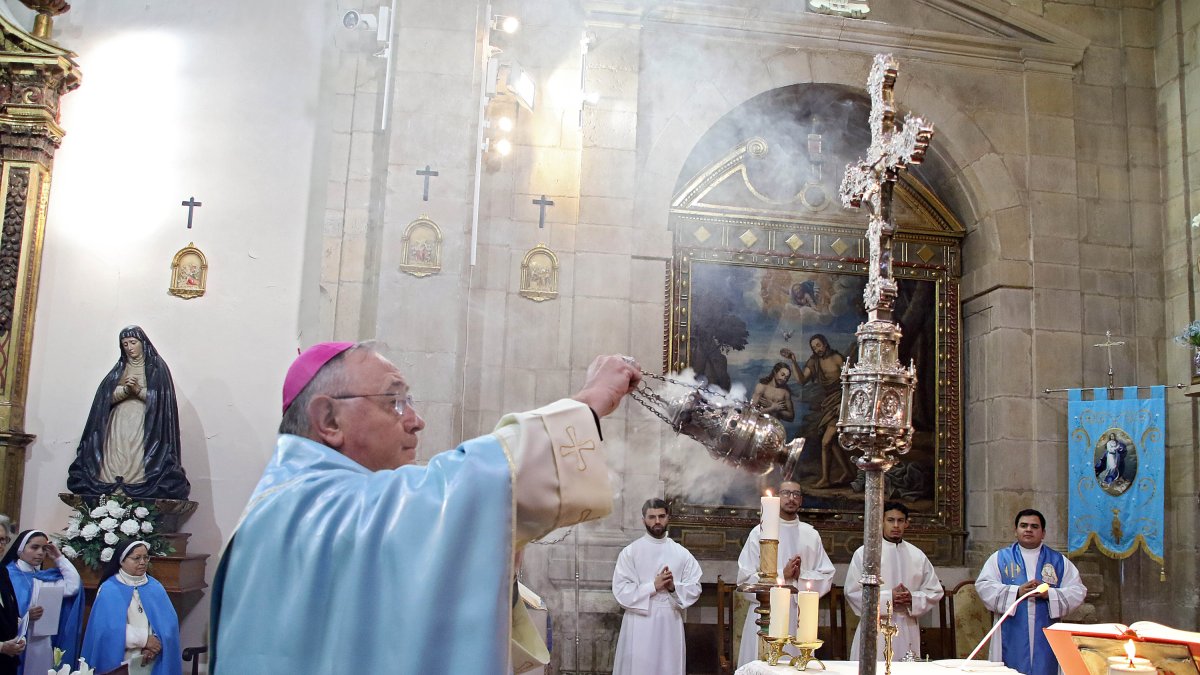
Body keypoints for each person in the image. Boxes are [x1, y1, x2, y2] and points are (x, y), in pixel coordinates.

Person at [209, 343, 640, 674]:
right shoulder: (317, 507)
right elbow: (473, 482)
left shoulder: (284, 505)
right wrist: (589, 402)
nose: (415, 420)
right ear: (330, 421)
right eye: (393, 400)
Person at [67, 326, 191, 500]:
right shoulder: (119, 369)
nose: (129, 348)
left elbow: (163, 401)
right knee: (117, 452)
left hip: (145, 423)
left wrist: (138, 390)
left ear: (143, 343)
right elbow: (103, 399)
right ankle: (113, 486)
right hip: (118, 422)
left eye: (133, 342)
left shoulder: (157, 368)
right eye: (125, 344)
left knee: (138, 453)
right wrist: (125, 390)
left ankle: (138, 483)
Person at [976, 509, 1086, 675]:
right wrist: (1017, 592)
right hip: (1011, 631)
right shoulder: (999, 558)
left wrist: (1050, 594)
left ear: (1043, 533)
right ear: (1016, 530)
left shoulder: (1058, 561)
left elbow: (1078, 591)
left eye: (1034, 526)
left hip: (1047, 631)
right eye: (1023, 525)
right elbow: (984, 586)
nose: (1028, 529)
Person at [736, 481, 835, 666]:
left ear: (801, 500)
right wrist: (783, 575)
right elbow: (744, 578)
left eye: (796, 494)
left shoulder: (811, 535)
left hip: (799, 615)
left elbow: (827, 576)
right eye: (786, 493)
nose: (791, 498)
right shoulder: (759, 533)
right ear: (778, 497)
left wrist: (800, 577)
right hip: (765, 613)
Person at [611, 499, 703, 675]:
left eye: (661, 516)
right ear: (643, 519)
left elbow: (695, 587)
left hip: (669, 624)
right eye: (652, 517)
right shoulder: (631, 552)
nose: (657, 521)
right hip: (639, 623)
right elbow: (621, 590)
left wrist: (672, 587)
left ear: (668, 517)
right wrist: (653, 586)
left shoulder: (681, 553)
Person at [844, 502, 944, 660]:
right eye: (890, 520)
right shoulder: (865, 553)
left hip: (907, 626)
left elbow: (935, 591)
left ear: (907, 523)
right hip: (875, 627)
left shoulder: (917, 555)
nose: (896, 525)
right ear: (881, 522)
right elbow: (853, 592)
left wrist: (912, 599)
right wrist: (888, 599)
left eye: (900, 520)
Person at [81, 540, 181, 675]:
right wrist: (144, 640)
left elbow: (168, 623)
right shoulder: (109, 589)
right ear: (122, 561)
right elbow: (107, 628)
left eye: (146, 557)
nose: (143, 562)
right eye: (137, 558)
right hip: (121, 658)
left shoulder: (155, 587)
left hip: (151, 660)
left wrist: (154, 645)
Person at [2, 530, 83, 675]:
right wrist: (27, 616)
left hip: (41, 641)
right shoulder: (7, 575)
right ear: (20, 548)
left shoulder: (43, 577)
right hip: (15, 641)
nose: (40, 553)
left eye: (44, 549)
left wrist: (58, 557)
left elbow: (73, 586)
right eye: (34, 547)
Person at [781, 335, 854, 487]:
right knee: (831, 441)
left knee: (826, 441)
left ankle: (826, 479)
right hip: (829, 403)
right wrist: (793, 360)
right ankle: (847, 472)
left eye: (819, 345)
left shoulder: (837, 358)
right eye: (814, 347)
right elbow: (801, 380)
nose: (817, 349)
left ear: (825, 343)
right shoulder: (814, 362)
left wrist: (845, 403)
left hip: (842, 402)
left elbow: (851, 381)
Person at [0, 562, 24, 675]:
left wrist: (18, 637)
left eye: (3, 542)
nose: (1, 546)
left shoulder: (2, 571)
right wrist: (1, 647)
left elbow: (12, 610)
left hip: (7, 662)